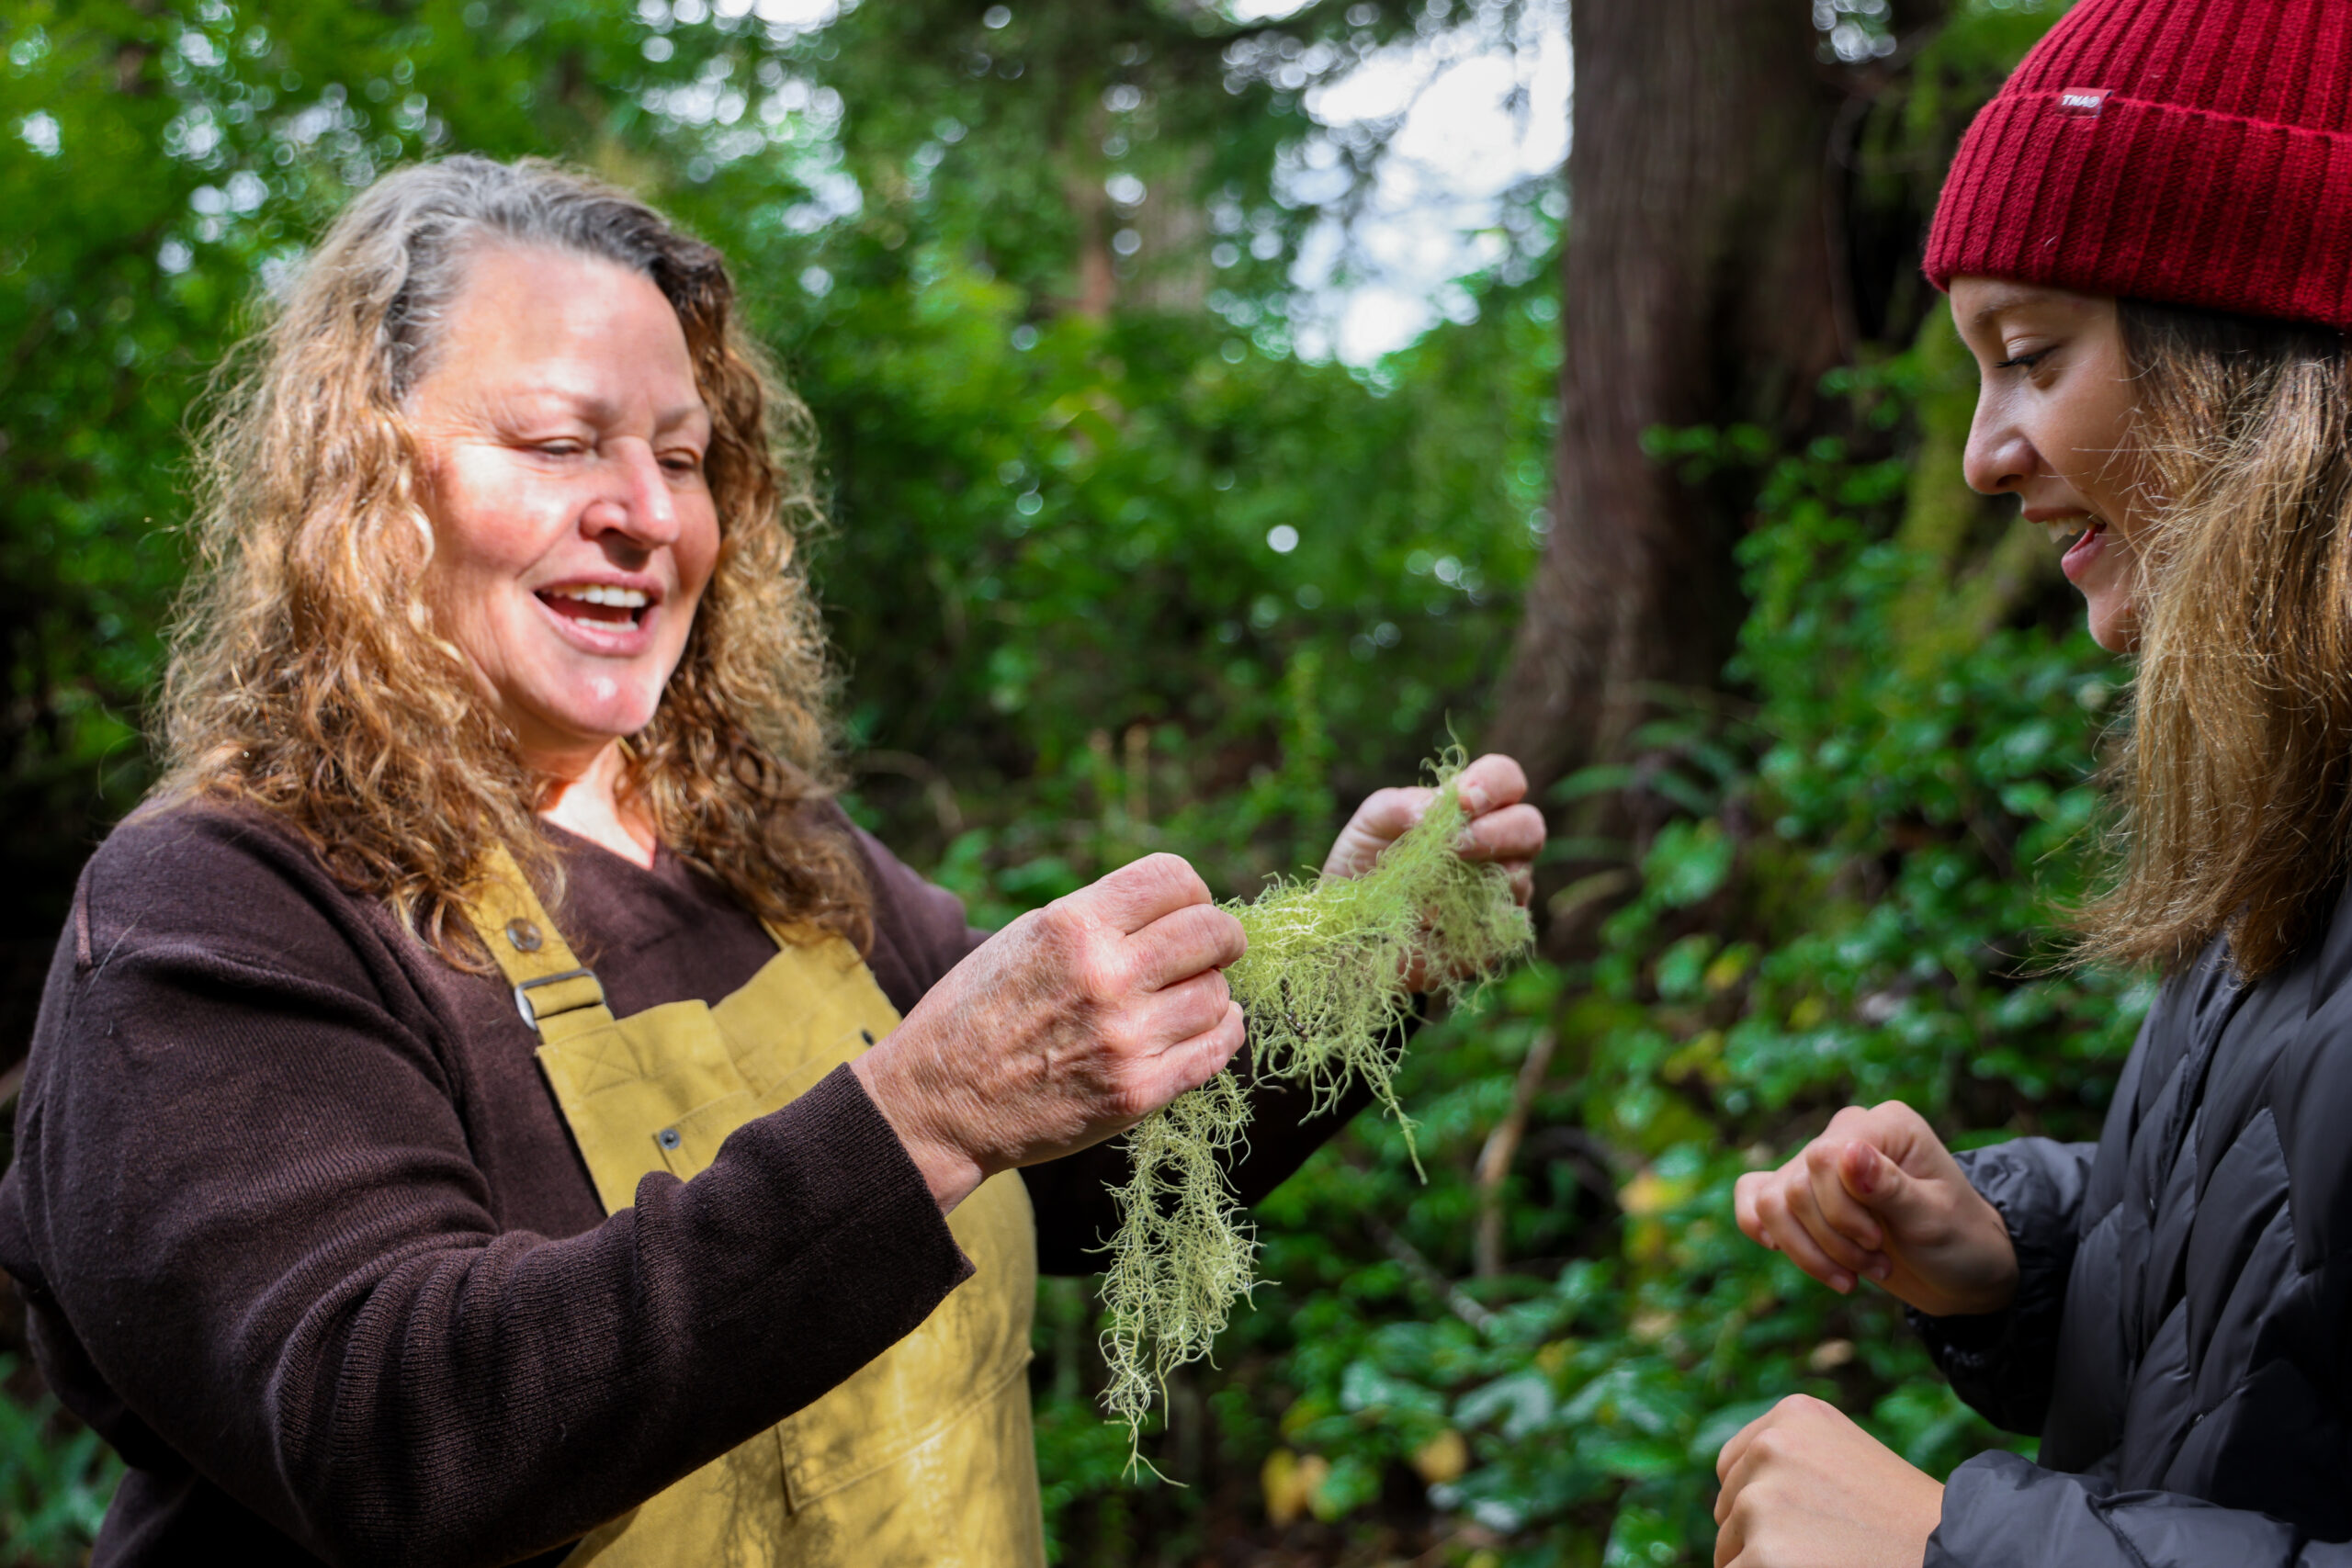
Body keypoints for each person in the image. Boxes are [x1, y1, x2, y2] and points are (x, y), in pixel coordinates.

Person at [0, 156, 1544, 1567]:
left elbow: (1074, 1189)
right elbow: (392, 1433)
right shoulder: (215, 912)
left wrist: (1362, 969)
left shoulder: (781, 857)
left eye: (683, 458)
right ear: (369, 490)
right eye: (558, 444)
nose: (643, 514)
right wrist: (923, 1111)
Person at [1713, 1, 2352, 1564]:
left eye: (2033, 356)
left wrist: (1951, 1549)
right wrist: (2022, 1255)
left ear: (2264, 356)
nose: (1983, 457)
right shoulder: (2308, 790)